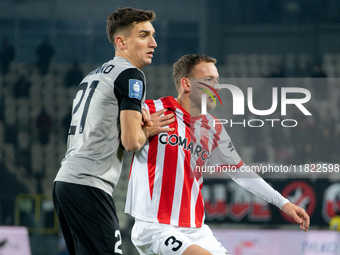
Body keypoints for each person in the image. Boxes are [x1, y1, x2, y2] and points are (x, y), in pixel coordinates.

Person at [125, 54, 310, 255]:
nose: (217, 86)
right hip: (156, 226)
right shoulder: (152, 109)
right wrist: (141, 129)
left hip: (196, 228)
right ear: (187, 84)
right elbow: (121, 139)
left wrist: (284, 203)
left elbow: (240, 173)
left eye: (217, 80)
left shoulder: (213, 128)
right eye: (209, 80)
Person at [53, 7, 174, 255]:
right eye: (143, 35)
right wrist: (148, 131)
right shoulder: (131, 74)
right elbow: (131, 141)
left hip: (65, 182)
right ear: (121, 42)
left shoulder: (92, 76)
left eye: (152, 35)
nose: (154, 42)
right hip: (89, 184)